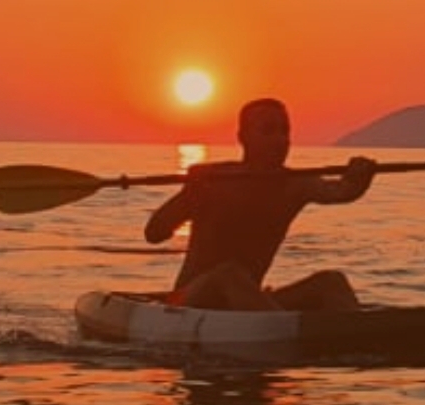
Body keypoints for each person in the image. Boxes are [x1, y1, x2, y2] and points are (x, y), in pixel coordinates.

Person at [144, 97, 378, 310]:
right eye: (268, 131)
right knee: (229, 274)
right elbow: (154, 233)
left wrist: (359, 177)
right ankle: (284, 333)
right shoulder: (214, 179)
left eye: (284, 131)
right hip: (187, 302)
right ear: (243, 138)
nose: (279, 140)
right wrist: (190, 195)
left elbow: (342, 192)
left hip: (249, 304)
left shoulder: (295, 184)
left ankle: (362, 339)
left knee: (331, 282)